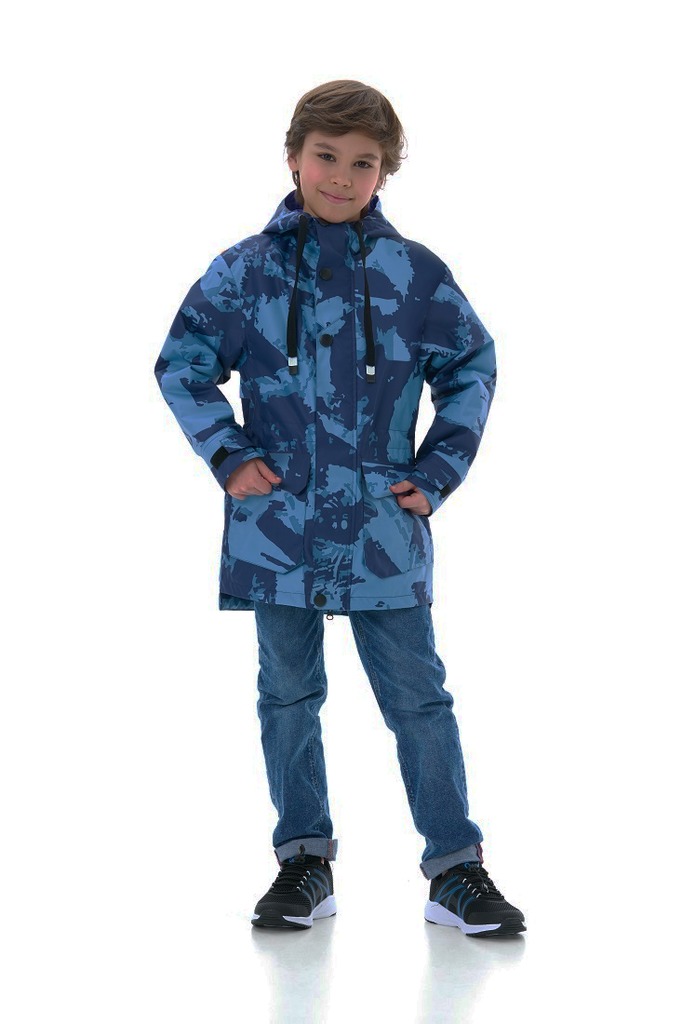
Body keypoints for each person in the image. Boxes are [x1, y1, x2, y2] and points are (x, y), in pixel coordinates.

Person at [154, 79, 525, 937]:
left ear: (383, 173)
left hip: (380, 529)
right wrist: (228, 453)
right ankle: (303, 861)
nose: (342, 176)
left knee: (418, 699)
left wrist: (437, 471)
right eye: (326, 156)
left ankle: (455, 869)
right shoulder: (244, 271)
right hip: (278, 527)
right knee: (287, 695)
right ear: (293, 157)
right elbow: (182, 363)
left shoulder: (415, 274)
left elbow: (470, 367)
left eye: (364, 163)